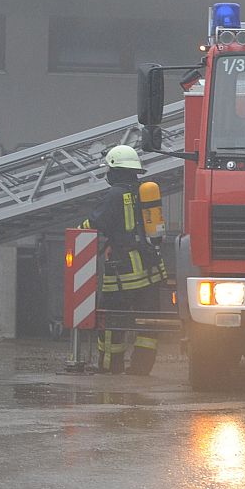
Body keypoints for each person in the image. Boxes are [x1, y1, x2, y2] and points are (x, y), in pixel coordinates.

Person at [80, 144, 169, 375]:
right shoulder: (146, 192)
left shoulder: (113, 196)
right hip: (151, 269)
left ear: (115, 170)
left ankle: (111, 366)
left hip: (123, 272)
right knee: (148, 322)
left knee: (111, 322)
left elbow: (94, 223)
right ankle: (141, 368)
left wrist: (78, 232)